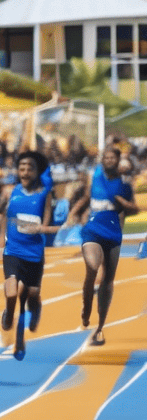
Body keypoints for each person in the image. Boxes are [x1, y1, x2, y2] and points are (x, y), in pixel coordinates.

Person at [0, 151, 53, 360]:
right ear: (18, 171)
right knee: (12, 292)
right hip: (13, 251)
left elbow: (46, 223)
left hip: (34, 253)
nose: (25, 172)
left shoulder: (44, 194)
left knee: (33, 294)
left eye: (30, 168)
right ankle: (9, 313)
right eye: (22, 168)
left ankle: (35, 309)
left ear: (37, 172)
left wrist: (41, 228)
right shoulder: (9, 192)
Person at [71, 146, 138, 346]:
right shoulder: (95, 177)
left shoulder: (125, 184)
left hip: (113, 234)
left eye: (112, 158)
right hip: (92, 231)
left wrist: (125, 205)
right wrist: (74, 212)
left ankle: (99, 328)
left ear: (118, 161)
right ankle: (86, 307)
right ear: (102, 159)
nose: (108, 160)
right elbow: (86, 197)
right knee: (92, 266)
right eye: (106, 157)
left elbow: (134, 208)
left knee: (107, 281)